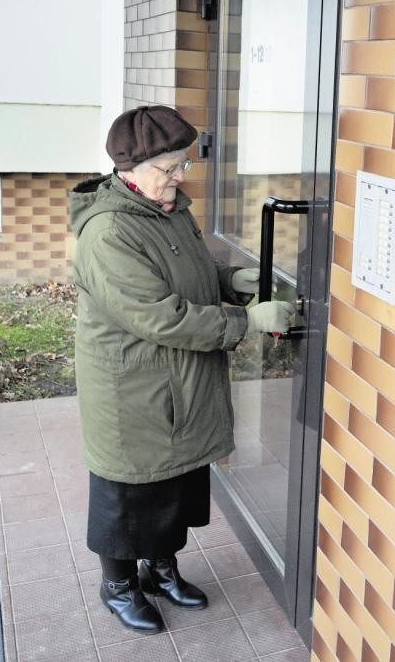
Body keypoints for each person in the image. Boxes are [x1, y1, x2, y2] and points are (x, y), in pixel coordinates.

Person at [69, 105, 293, 635]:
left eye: (182, 165)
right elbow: (159, 316)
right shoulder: (109, 233)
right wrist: (247, 320)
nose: (178, 178)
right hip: (134, 387)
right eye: (166, 168)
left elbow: (185, 275)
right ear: (129, 170)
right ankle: (118, 584)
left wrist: (231, 279)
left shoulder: (164, 208)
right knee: (130, 493)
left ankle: (160, 568)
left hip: (175, 379)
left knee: (175, 486)